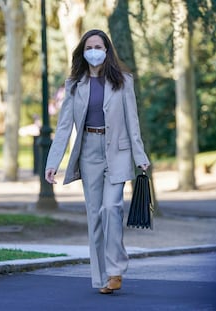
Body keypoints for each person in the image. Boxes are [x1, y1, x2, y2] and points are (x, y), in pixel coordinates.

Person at [45, 29, 150, 294]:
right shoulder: (74, 85)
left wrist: (140, 157)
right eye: (89, 46)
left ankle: (116, 270)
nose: (94, 51)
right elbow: (64, 127)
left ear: (107, 51)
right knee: (95, 216)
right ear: (83, 51)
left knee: (111, 208)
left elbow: (132, 122)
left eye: (99, 46)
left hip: (117, 151)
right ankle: (103, 277)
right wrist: (53, 162)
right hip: (88, 151)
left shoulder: (123, 81)